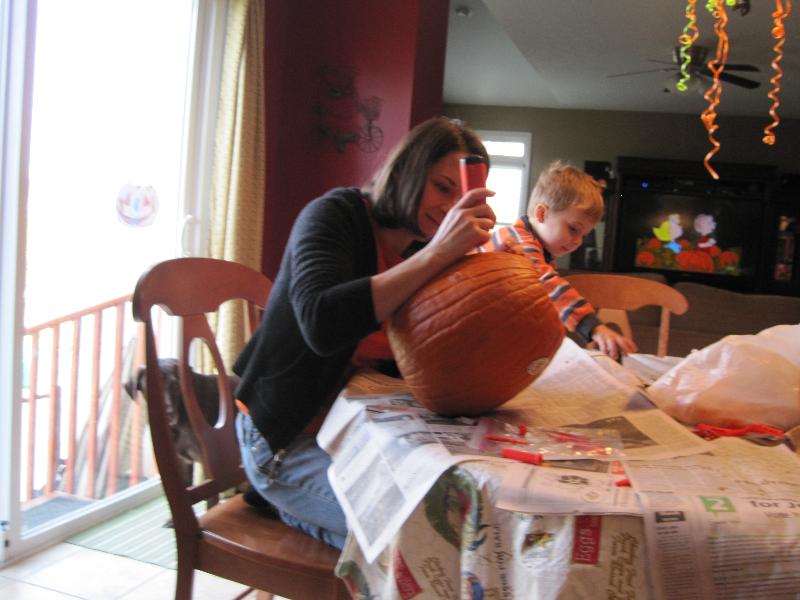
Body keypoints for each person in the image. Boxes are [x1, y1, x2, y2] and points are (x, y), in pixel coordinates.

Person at [232, 117, 495, 549]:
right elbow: (322, 324)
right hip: (283, 443)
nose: (449, 208)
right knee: (420, 535)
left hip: (355, 436)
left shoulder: (419, 252)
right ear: (408, 171)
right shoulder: (333, 215)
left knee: (461, 510)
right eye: (441, 187)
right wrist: (437, 254)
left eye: (460, 197)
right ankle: (282, 500)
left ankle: (301, 514)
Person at [480, 160, 637, 360]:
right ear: (541, 213)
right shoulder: (517, 243)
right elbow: (546, 284)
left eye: (583, 235)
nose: (578, 241)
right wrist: (593, 326)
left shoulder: (538, 249)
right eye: (573, 229)